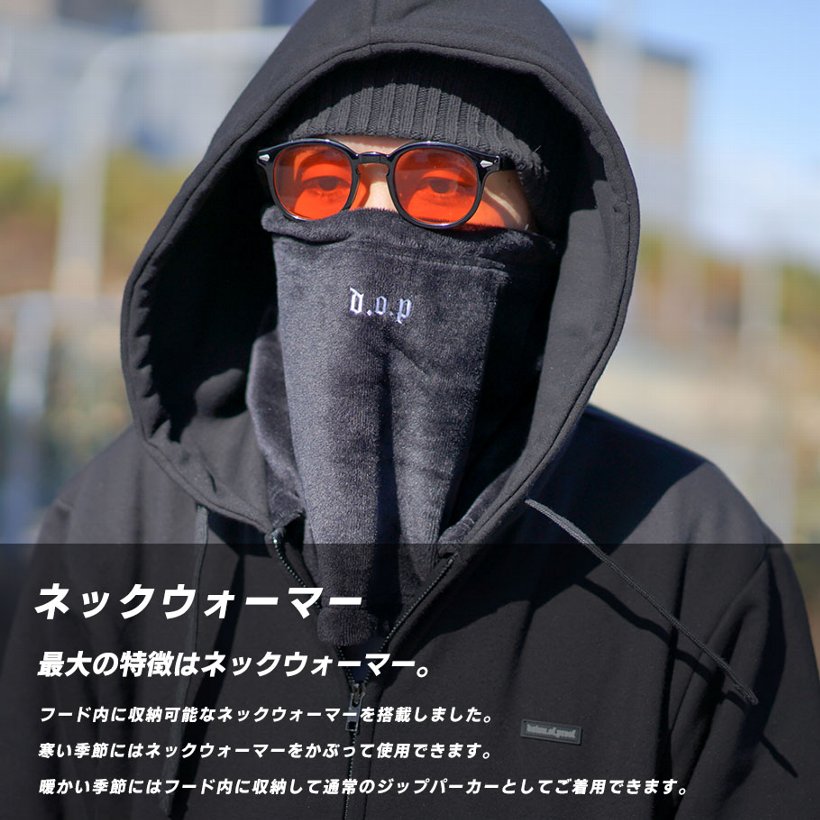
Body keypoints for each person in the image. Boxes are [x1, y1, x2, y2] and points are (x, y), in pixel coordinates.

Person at [1, 0, 818, 818]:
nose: (373, 221)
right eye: (321, 181)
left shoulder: (693, 556)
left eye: (441, 184)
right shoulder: (124, 519)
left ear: (543, 225)